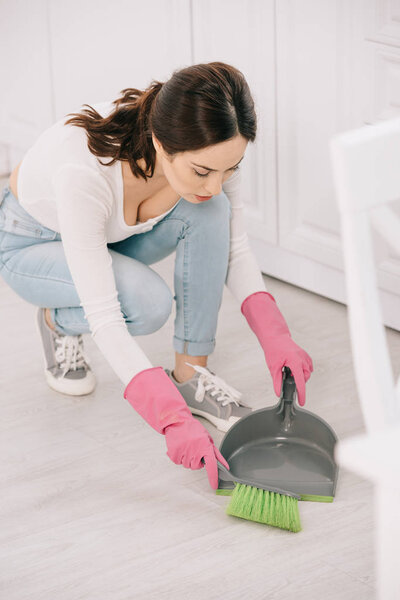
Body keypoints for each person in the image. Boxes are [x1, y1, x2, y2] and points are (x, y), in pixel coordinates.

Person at [0, 62, 313, 490]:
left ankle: (191, 376)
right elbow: (107, 316)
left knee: (211, 209)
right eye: (203, 171)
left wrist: (276, 335)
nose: (217, 182)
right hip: (30, 243)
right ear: (161, 143)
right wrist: (168, 420)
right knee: (145, 303)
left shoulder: (212, 153)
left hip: (105, 237)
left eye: (231, 169)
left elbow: (235, 248)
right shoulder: (82, 173)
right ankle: (57, 321)